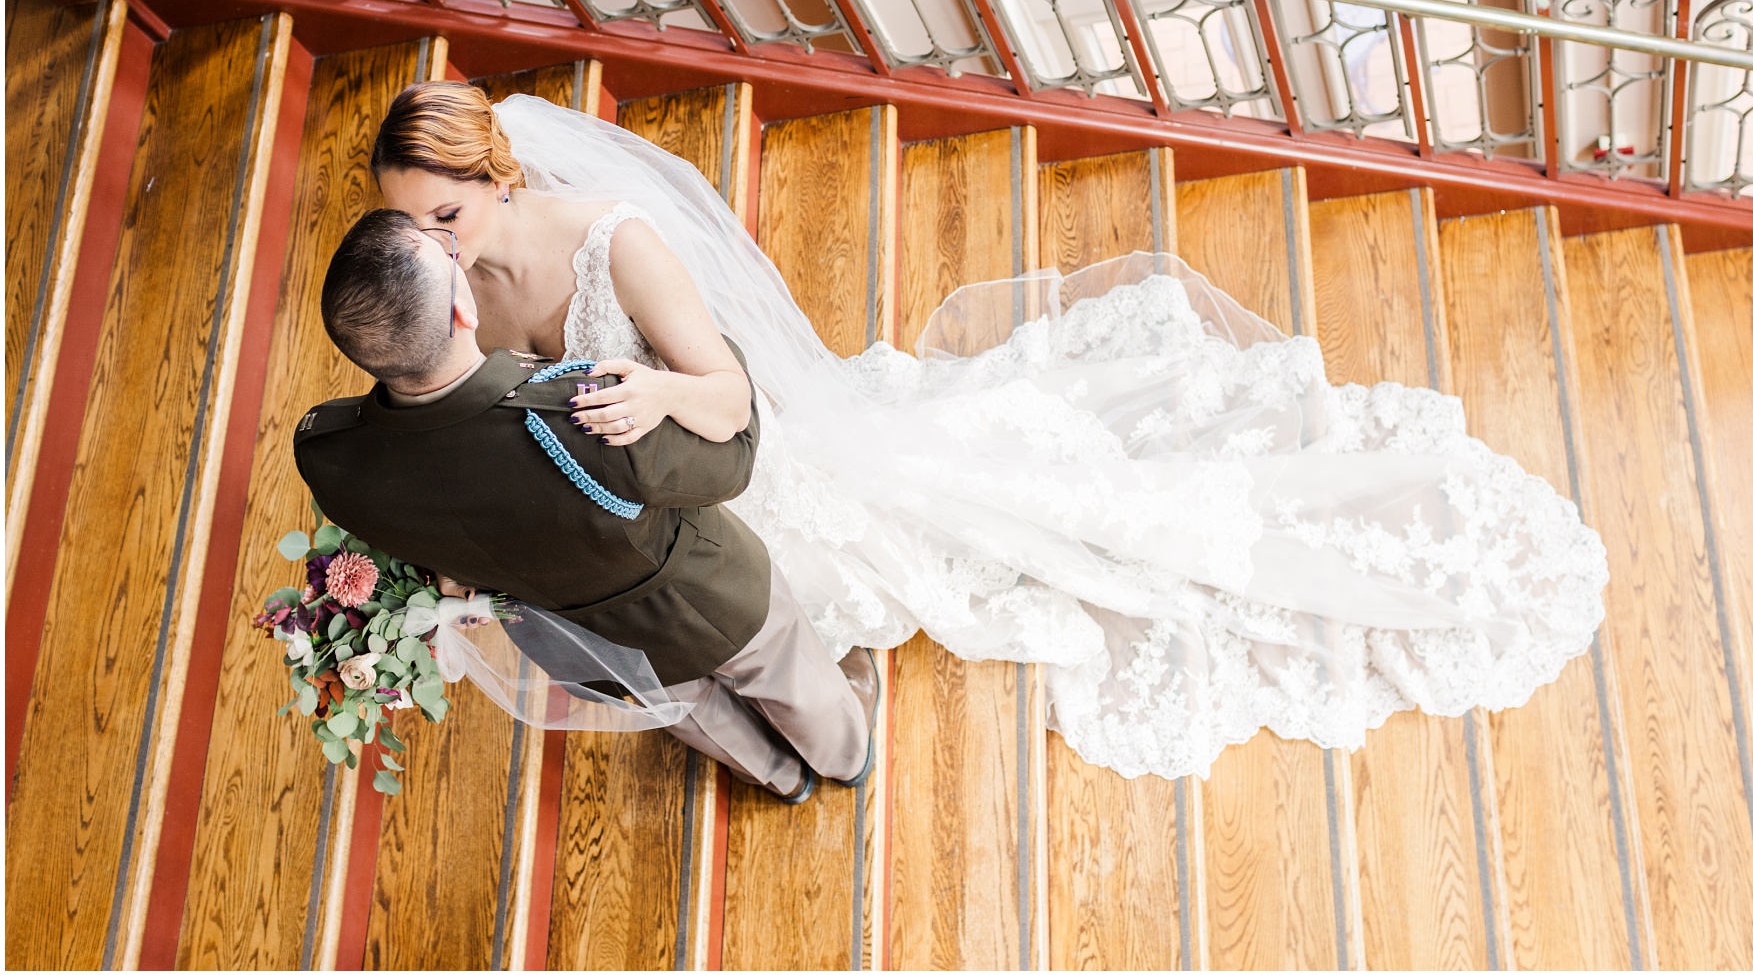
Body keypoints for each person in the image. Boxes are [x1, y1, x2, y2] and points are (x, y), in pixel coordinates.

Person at [362, 81, 1609, 782]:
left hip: (715, 455)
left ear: (501, 179)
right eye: (410, 224)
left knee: (910, 560)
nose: (430, 243)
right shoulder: (444, 291)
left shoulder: (612, 241)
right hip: (642, 495)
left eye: (443, 214)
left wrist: (655, 395)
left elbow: (734, 401)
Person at [294, 208, 877, 803]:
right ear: (463, 311)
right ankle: (843, 754)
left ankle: (779, 776)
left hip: (568, 636)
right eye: (444, 252)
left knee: (683, 705)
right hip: (696, 597)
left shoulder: (327, 454)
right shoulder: (581, 416)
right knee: (783, 673)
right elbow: (734, 460)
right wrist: (700, 367)